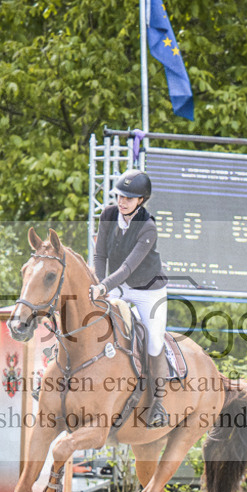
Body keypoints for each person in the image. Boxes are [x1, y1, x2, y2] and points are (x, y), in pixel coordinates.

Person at [90, 168, 169, 429]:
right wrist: (98, 285)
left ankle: (158, 405)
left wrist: (104, 286)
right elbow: (100, 255)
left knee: (155, 341)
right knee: (89, 314)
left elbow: (127, 267)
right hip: (118, 285)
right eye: (119, 196)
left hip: (148, 290)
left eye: (129, 198)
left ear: (141, 201)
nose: (122, 201)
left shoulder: (148, 227)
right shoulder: (108, 215)